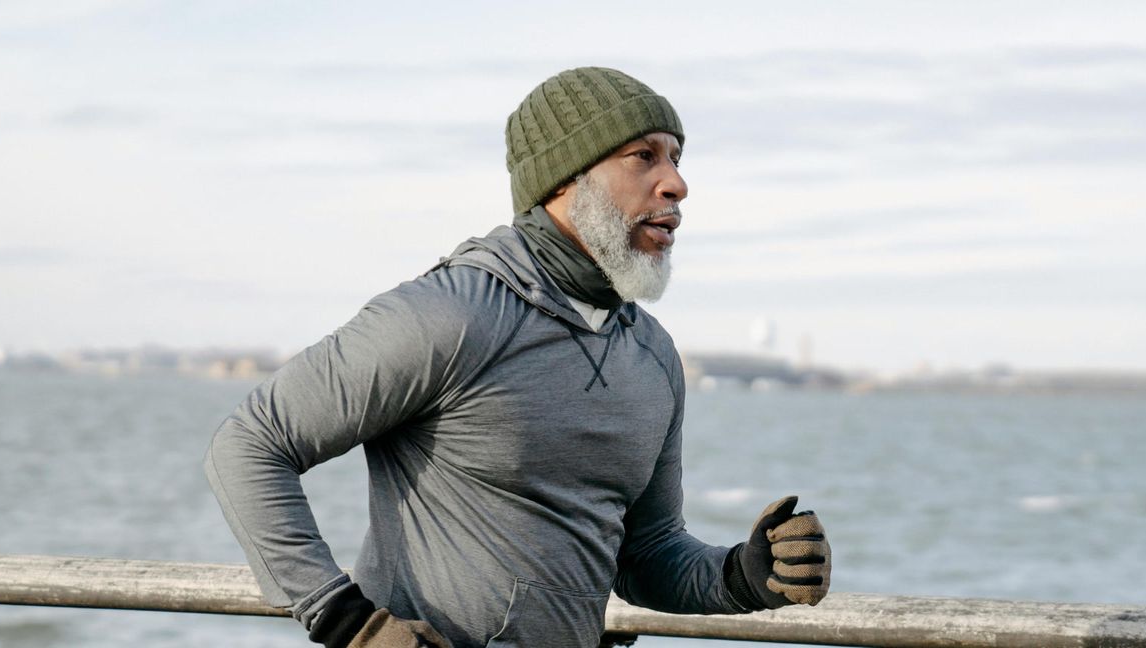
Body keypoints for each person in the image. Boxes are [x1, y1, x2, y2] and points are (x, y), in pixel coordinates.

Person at [204, 66, 830, 648]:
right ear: (566, 178)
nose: (677, 183)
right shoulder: (450, 314)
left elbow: (647, 556)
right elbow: (249, 446)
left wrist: (746, 574)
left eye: (676, 157)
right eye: (644, 156)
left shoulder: (653, 356)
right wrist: (348, 622)